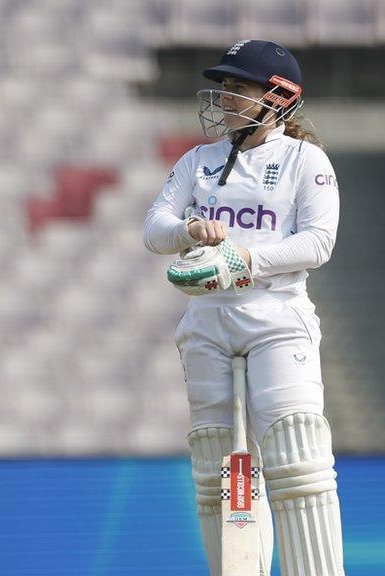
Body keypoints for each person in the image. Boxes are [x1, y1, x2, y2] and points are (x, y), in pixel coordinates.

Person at [142, 40, 345, 576]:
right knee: (218, 468)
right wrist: (188, 229)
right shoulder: (200, 160)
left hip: (277, 318)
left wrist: (243, 260)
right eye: (224, 86)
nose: (225, 96)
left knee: (297, 461)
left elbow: (318, 243)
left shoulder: (307, 160)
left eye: (238, 87)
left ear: (277, 97)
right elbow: (154, 229)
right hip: (207, 320)